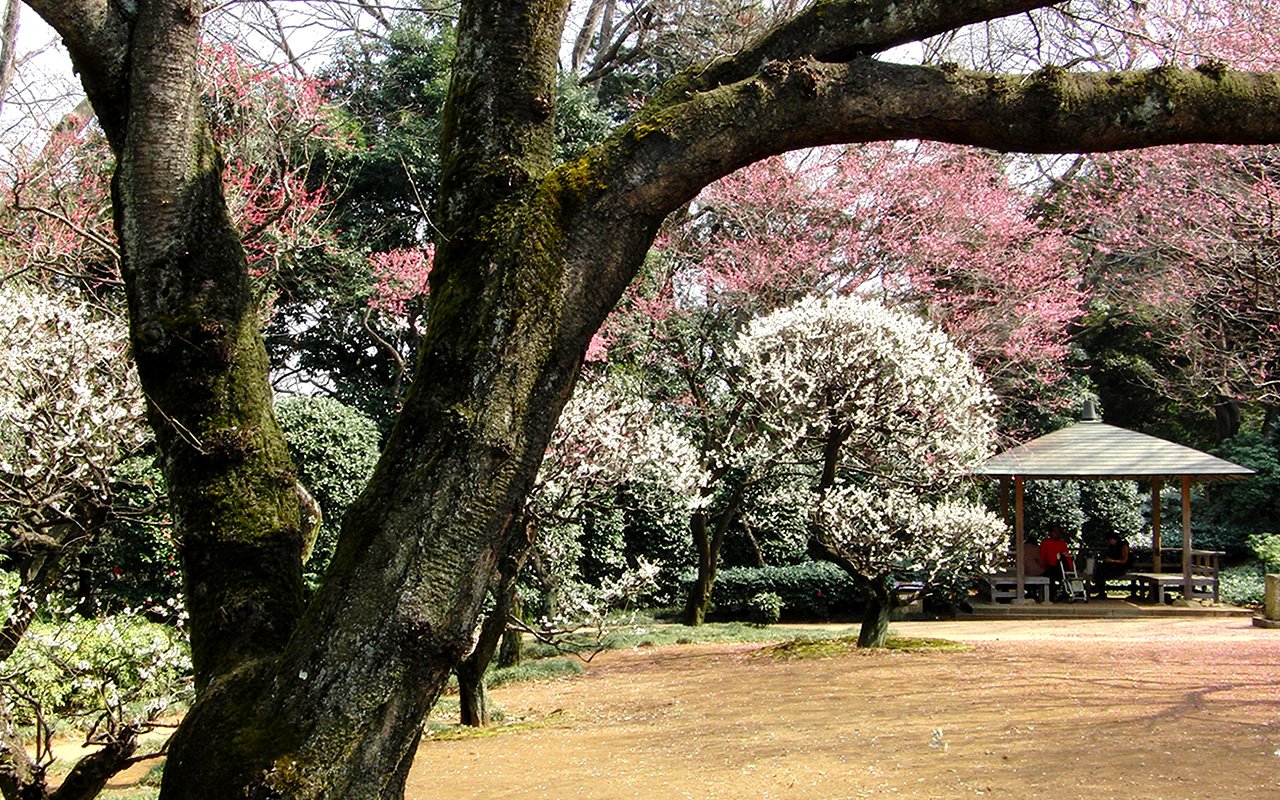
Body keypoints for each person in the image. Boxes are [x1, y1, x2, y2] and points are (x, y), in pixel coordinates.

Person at [1091, 531, 1131, 598]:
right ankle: (1099, 589)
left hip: (1122, 567)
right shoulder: (1111, 547)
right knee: (1100, 568)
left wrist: (1112, 560)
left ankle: (1099, 589)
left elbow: (1124, 560)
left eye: (1110, 540)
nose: (1109, 542)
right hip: (1112, 566)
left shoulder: (1123, 546)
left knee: (1103, 572)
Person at [1039, 525, 1073, 600]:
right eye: (1054, 531)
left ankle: (1065, 593)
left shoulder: (1062, 543)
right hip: (1049, 567)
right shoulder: (1046, 543)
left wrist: (1071, 567)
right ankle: (1052, 595)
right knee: (1049, 576)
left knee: (1065, 575)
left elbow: (1067, 556)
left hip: (1061, 567)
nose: (1057, 533)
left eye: (1058, 532)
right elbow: (1042, 557)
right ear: (1050, 533)